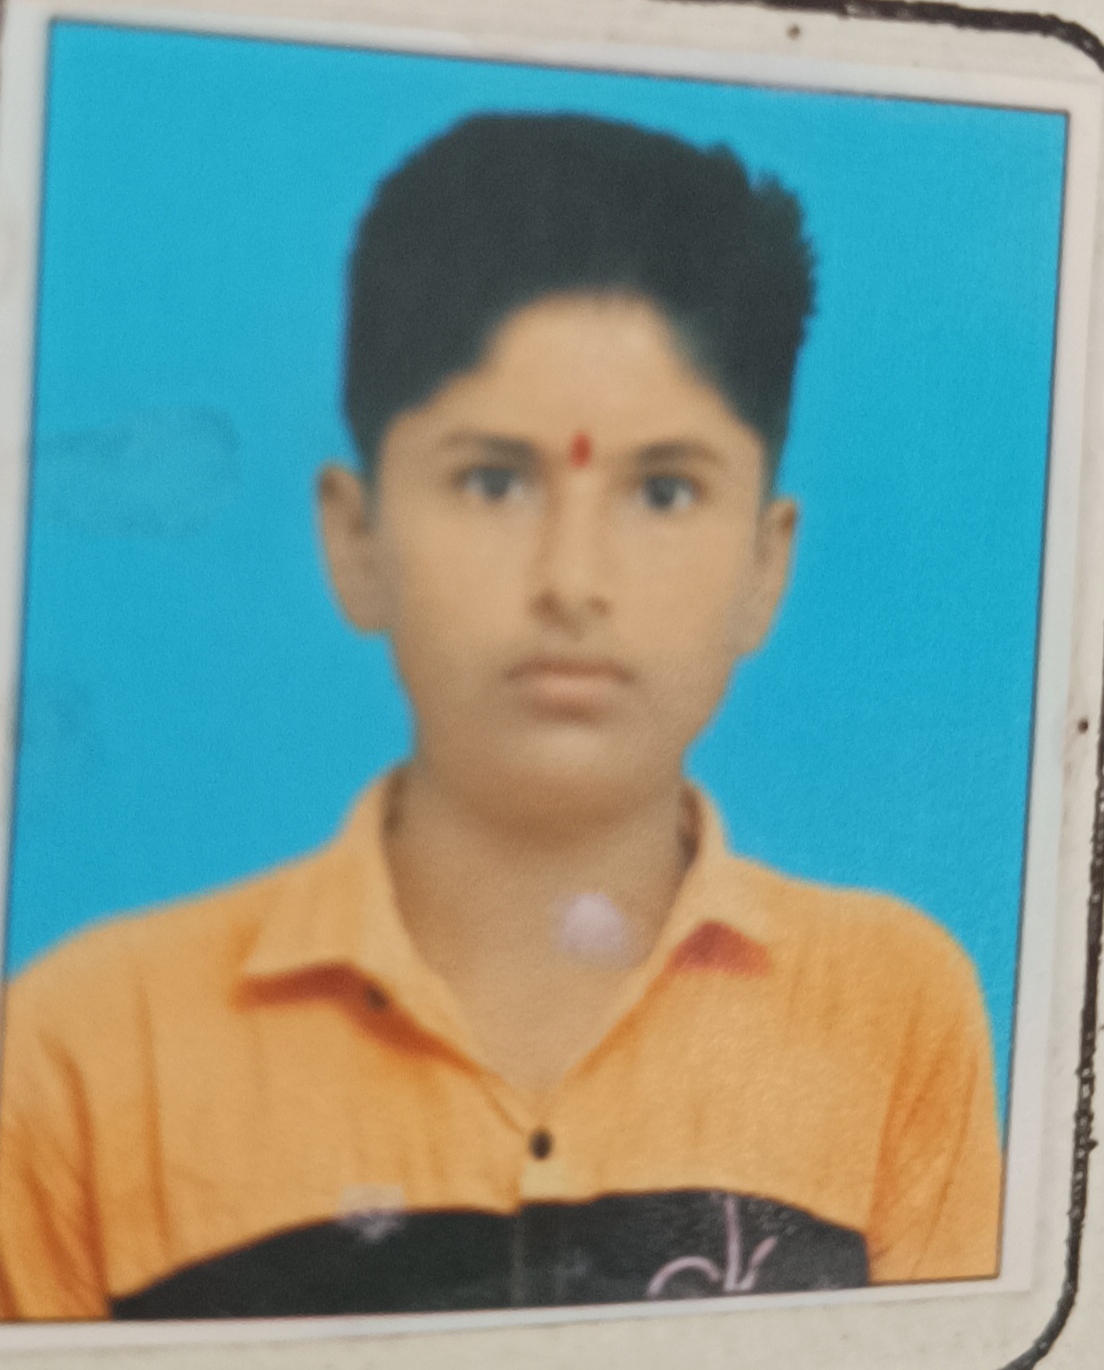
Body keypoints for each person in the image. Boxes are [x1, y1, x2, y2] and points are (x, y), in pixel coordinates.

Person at [0, 113, 1000, 1320]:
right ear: (357, 536)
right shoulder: (92, 1051)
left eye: (664, 489)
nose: (572, 580)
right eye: (493, 479)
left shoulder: (891, 1008)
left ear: (764, 563)